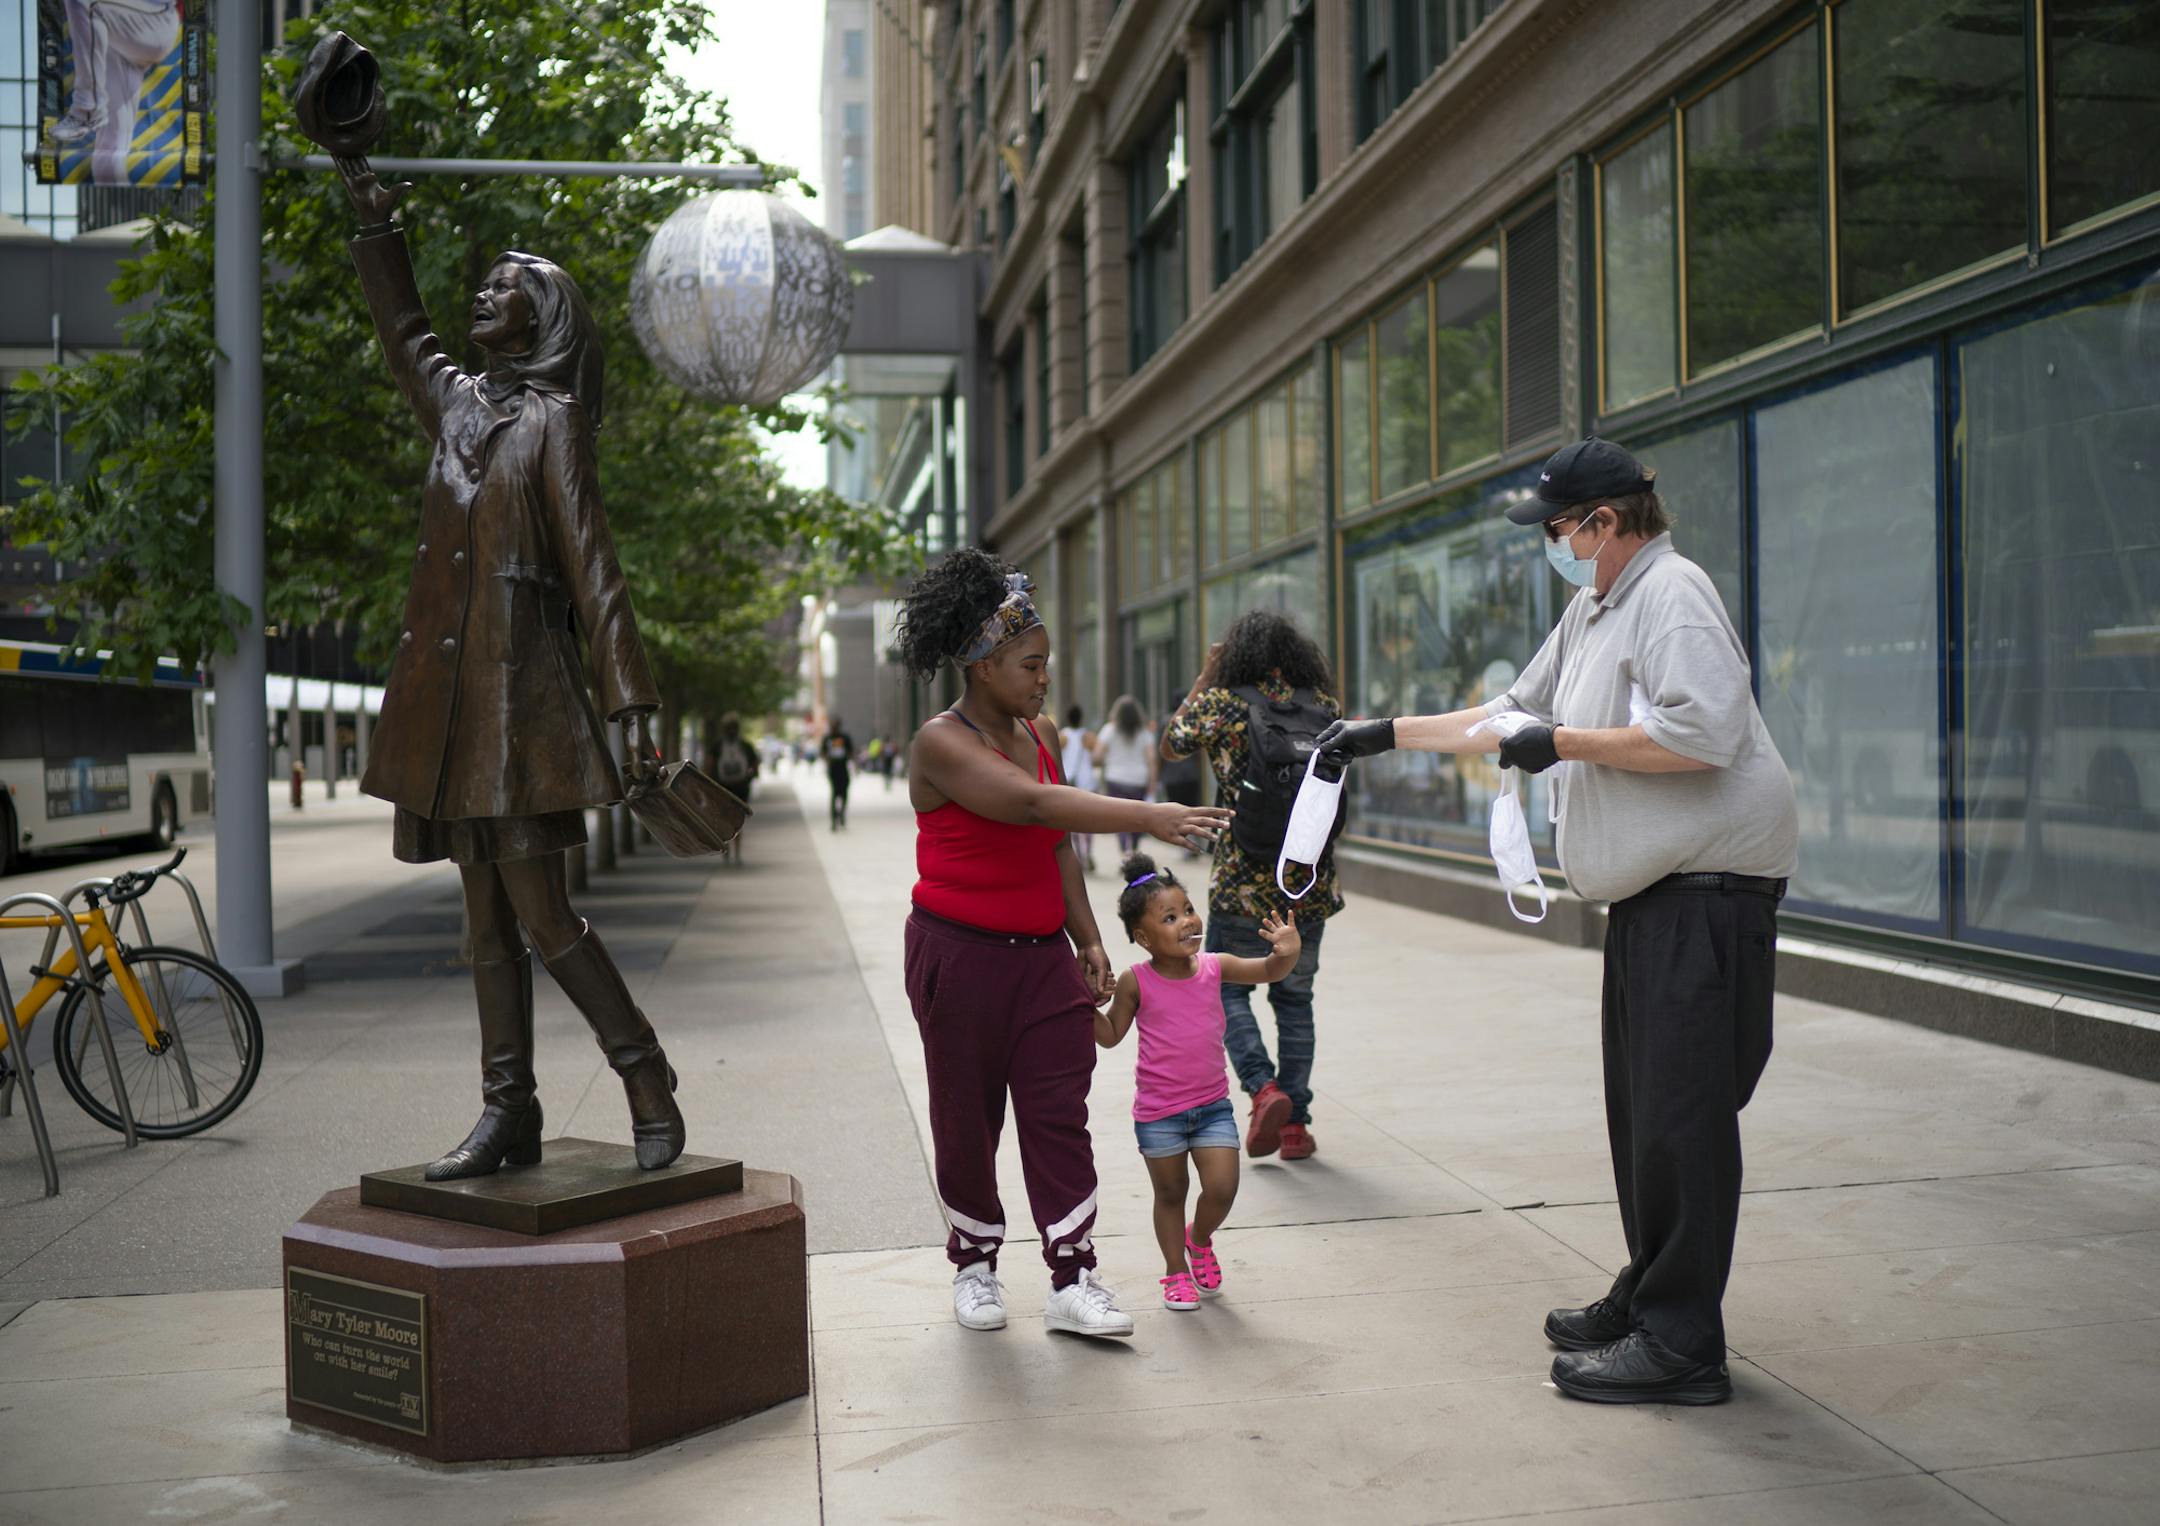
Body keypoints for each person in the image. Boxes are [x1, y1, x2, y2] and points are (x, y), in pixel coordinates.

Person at [1319, 436, 1799, 1406]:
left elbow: (1703, 730)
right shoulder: (1595, 608)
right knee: (1645, 1116)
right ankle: (1650, 1288)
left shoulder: (1673, 593)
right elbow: (1511, 712)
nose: (1553, 544)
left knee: (1682, 1120)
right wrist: (1380, 733)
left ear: (1606, 521)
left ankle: (1681, 1342)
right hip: (1655, 897)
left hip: (1705, 893)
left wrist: (1564, 743)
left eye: (1558, 527)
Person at [329, 156, 685, 1179]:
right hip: (447, 704)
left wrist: (631, 698)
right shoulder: (452, 405)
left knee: (544, 917)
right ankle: (507, 1110)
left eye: (504, 287)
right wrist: (372, 222)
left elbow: (594, 562)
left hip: (521, 701)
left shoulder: (554, 420)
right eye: (480, 285)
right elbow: (404, 331)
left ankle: (645, 1072)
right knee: (482, 920)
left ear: (544, 317)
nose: (483, 294)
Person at [897, 548, 1232, 1339]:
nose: (1044, 679)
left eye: (1047, 664)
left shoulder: (1038, 730)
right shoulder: (940, 743)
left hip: (1042, 958)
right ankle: (975, 1264)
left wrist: (1084, 937)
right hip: (959, 957)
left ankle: (1072, 1274)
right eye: (1031, 664)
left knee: (1058, 1114)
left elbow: (1055, 850)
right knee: (967, 1119)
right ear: (981, 663)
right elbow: (1035, 808)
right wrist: (1147, 815)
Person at [1163, 610, 1343, 1161]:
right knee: (1296, 999)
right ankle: (1296, 1126)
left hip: (1241, 879)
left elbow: (1173, 742)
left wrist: (1205, 675)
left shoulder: (1223, 703)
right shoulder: (1324, 707)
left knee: (1225, 990)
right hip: (1306, 882)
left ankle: (1263, 1090)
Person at [1094, 852, 1299, 1311]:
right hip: (1159, 1115)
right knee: (1170, 1194)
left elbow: (1268, 970)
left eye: (1188, 909)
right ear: (1143, 937)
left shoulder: (1214, 965)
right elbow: (1108, 1036)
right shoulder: (1135, 981)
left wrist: (1288, 952)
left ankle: (1199, 1238)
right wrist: (1078, 1004)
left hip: (1211, 1108)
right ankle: (1174, 1272)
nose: (1187, 921)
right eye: (1171, 917)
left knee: (1223, 1187)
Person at [47, 0, 181, 184]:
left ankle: (87, 108)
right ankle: (129, 210)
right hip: (118, 32)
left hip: (153, 20)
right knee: (109, 151)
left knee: (86, 4)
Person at [1093, 695, 1158, 854]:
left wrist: (1103, 761)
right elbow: (1151, 759)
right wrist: (1152, 783)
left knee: (1119, 816)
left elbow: (1097, 755)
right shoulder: (1144, 733)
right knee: (1138, 816)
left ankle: (1124, 850)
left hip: (1115, 778)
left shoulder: (1109, 729)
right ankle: (1134, 848)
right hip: (1138, 780)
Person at [1157, 705, 1204, 860]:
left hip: (1172, 776)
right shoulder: (1191, 721)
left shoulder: (1166, 723)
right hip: (1190, 775)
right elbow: (1198, 752)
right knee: (1192, 809)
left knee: (1178, 814)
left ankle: (1187, 846)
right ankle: (1194, 843)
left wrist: (1159, 774)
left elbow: (1161, 751)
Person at [1059, 704, 1100, 872]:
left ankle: (1078, 852)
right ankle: (1087, 850)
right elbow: (1097, 758)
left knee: (1073, 822)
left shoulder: (1062, 737)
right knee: (1090, 820)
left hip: (1070, 781)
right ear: (1081, 718)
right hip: (1087, 781)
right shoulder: (1089, 737)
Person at [823, 719, 855, 830]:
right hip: (833, 769)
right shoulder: (827, 738)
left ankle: (841, 814)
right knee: (834, 793)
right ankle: (834, 819)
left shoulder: (844, 738)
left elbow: (851, 752)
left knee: (843, 794)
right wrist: (828, 758)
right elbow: (823, 753)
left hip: (843, 769)